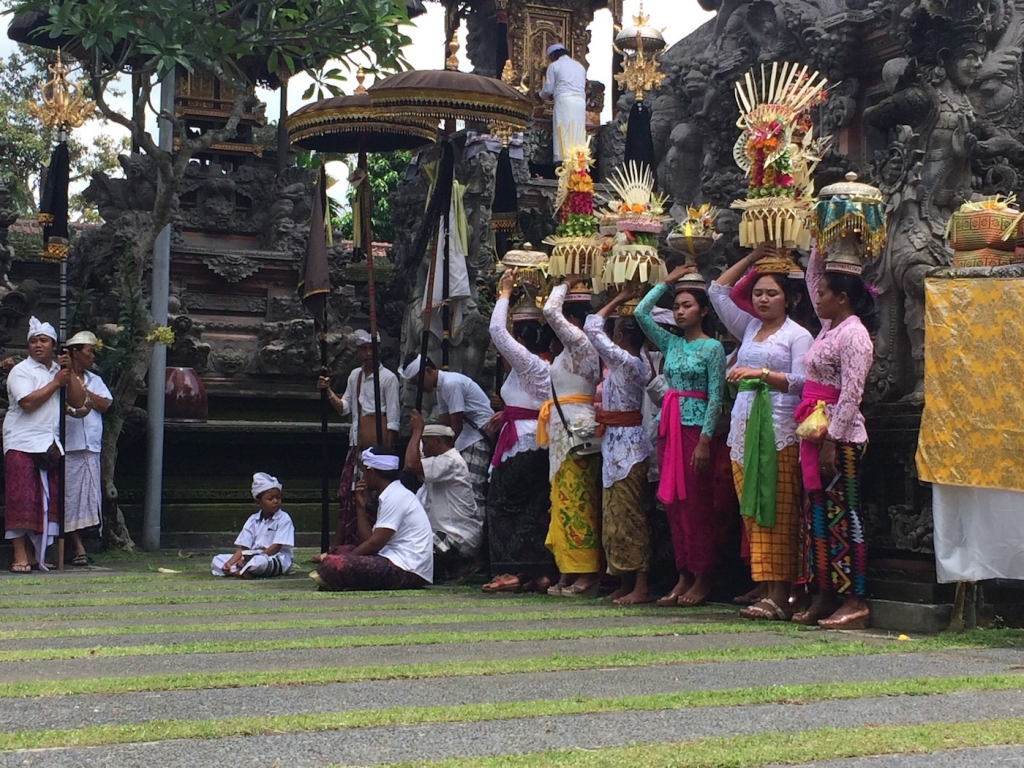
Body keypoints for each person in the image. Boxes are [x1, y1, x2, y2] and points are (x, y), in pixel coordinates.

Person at [710, 244, 812, 621]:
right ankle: (767, 589)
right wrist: (755, 258)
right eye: (758, 293)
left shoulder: (797, 335)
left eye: (772, 292)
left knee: (777, 511)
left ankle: (781, 594)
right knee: (752, 511)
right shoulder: (750, 327)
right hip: (743, 427)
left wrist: (761, 374)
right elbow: (718, 292)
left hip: (779, 429)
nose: (763, 299)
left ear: (790, 298)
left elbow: (805, 382)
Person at [792, 247, 875, 628]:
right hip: (814, 427)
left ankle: (854, 598)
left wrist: (832, 439)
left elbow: (852, 392)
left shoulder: (854, 334)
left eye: (825, 293)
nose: (817, 297)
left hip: (839, 435)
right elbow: (812, 282)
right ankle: (824, 593)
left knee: (845, 517)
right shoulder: (829, 327)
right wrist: (818, 245)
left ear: (842, 298)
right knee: (818, 518)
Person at [636, 268, 728, 607]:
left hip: (694, 431)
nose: (679, 311)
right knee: (673, 505)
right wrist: (667, 281)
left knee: (696, 505)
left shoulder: (712, 348)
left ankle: (703, 576)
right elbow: (639, 313)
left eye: (687, 305)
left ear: (703, 311)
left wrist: (705, 440)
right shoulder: (670, 342)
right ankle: (683, 574)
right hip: (669, 428)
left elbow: (716, 396)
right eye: (676, 306)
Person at [482, 269, 555, 594]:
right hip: (534, 440)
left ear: (521, 341)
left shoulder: (531, 365)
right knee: (534, 507)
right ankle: (536, 572)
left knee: (502, 505)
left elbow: (496, 330)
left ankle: (511, 570)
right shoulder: (540, 368)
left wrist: (505, 293)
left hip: (524, 444)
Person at [584, 288, 652, 604]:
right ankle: (624, 580)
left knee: (631, 516)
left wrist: (618, 298)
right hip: (614, 441)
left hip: (629, 443)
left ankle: (640, 583)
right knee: (614, 517)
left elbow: (591, 328)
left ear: (621, 334)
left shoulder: (628, 362)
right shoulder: (627, 361)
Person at [4, 317, 85, 573]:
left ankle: (37, 553)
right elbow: (27, 403)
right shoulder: (22, 371)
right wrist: (55, 383)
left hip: (49, 443)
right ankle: (20, 553)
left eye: (43, 341)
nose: (38, 345)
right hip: (22, 440)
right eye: (33, 341)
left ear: (53, 345)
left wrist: (68, 373)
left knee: (47, 501)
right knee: (21, 498)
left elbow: (78, 400)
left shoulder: (59, 371)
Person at [539, 277, 602, 597]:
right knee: (562, 501)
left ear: (573, 320)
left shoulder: (582, 344)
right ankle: (568, 567)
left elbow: (550, 309)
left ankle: (586, 570)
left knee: (579, 502)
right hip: (561, 432)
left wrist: (564, 283)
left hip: (576, 428)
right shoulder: (566, 352)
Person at [318, 329, 400, 547]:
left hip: (376, 444)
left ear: (378, 349)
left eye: (371, 349)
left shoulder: (388, 378)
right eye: (363, 349)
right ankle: (343, 541)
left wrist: (387, 454)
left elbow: (392, 418)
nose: (368, 354)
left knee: (369, 495)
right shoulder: (355, 376)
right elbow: (344, 408)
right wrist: (328, 392)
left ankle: (370, 540)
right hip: (356, 443)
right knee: (348, 494)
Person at [312, 447, 433, 591]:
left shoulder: (396, 496)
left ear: (372, 472)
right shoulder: (390, 494)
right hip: (394, 559)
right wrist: (360, 507)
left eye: (364, 471)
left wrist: (347, 559)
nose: (363, 476)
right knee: (339, 551)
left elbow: (375, 544)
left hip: (408, 568)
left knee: (337, 563)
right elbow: (368, 540)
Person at [399, 355, 494, 517]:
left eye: (417, 381)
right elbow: (444, 424)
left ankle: (478, 529)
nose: (419, 387)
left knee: (473, 491)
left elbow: (454, 427)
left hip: (475, 440)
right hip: (464, 440)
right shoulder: (441, 388)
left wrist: (442, 455)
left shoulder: (451, 384)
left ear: (428, 371)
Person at [404, 411, 482, 581]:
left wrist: (417, 432)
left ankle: (461, 564)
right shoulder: (441, 464)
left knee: (414, 541)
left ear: (438, 442)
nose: (423, 449)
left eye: (425, 443)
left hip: (457, 537)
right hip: (444, 535)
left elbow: (410, 464)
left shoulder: (451, 461)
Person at [63, 331, 111, 567]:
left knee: (87, 498)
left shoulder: (94, 380)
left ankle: (81, 543)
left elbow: (103, 404)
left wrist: (84, 390)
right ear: (75, 352)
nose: (92, 356)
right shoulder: (60, 376)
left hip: (90, 447)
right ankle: (76, 546)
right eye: (89, 351)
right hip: (68, 446)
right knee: (69, 497)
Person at [211, 473, 295, 578]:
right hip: (250, 557)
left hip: (273, 557)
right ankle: (242, 572)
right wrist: (230, 562)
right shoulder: (252, 520)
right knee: (217, 559)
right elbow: (243, 548)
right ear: (258, 502)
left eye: (278, 498)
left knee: (259, 563)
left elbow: (276, 547)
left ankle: (241, 571)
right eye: (270, 499)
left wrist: (249, 559)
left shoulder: (284, 518)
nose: (276, 501)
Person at [538, 43, 587, 163]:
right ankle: (578, 162)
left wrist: (539, 95)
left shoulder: (554, 65)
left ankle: (562, 164)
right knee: (577, 133)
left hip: (564, 102)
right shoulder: (580, 67)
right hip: (580, 103)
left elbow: (549, 88)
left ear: (553, 55)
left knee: (563, 133)